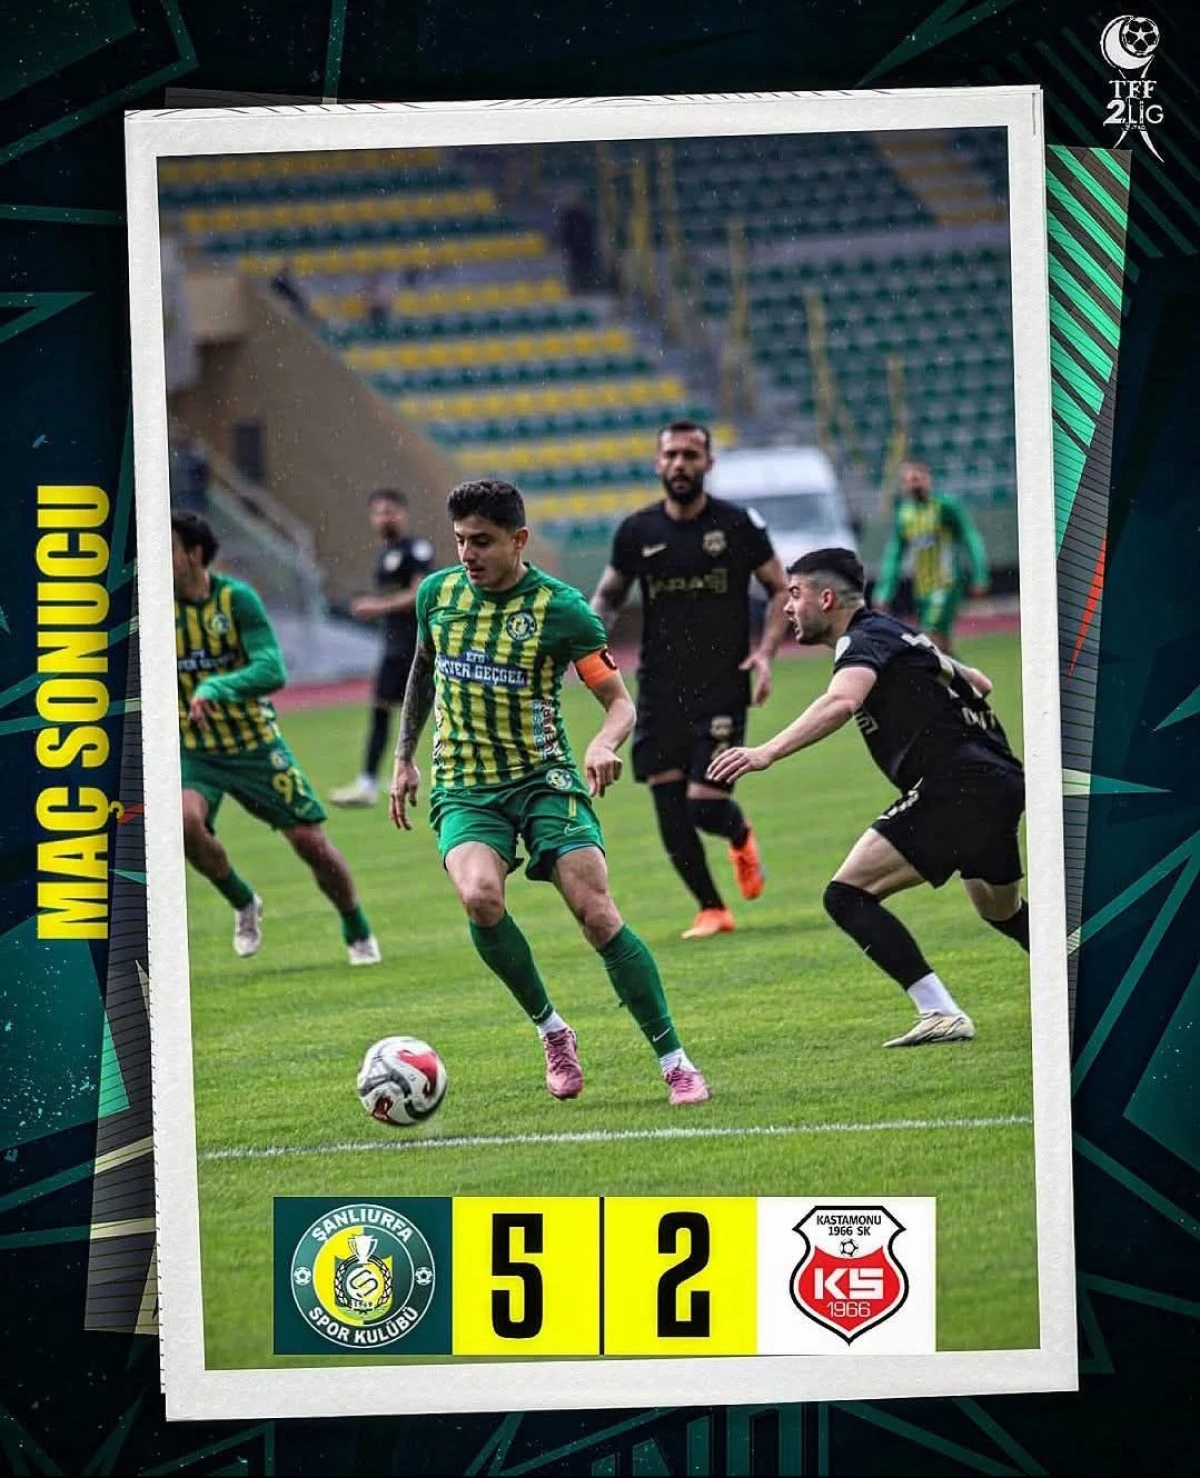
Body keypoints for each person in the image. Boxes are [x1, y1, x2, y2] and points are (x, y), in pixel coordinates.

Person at [388, 479, 710, 1107]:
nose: (468, 555)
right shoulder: (437, 595)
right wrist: (403, 759)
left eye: (482, 542)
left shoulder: (561, 610)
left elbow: (619, 703)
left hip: (545, 779)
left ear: (520, 540)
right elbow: (423, 670)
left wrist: (603, 744)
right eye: (460, 541)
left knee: (597, 914)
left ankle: (676, 1062)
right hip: (465, 784)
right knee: (480, 897)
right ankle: (552, 1029)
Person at [709, 548, 1029, 1047]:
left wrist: (766, 752)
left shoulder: (860, 640)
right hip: (1000, 778)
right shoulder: (898, 633)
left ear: (826, 598)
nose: (787, 606)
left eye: (795, 594)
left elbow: (842, 700)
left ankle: (939, 1012)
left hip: (958, 783)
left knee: (846, 895)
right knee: (1001, 910)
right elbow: (980, 683)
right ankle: (1096, 974)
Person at [590, 419, 789, 940]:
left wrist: (766, 653)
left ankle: (739, 834)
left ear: (708, 463)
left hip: (723, 682)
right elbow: (609, 595)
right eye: (671, 455)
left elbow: (779, 588)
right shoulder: (637, 530)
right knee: (668, 803)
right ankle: (712, 910)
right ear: (658, 463)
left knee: (704, 804)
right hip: (659, 686)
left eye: (690, 455)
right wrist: (588, 641)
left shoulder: (738, 524)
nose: (680, 464)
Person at [172, 510, 382, 965]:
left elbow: (272, 669)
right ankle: (243, 901)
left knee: (310, 843)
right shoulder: (152, 611)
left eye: (167, 549)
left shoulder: (236, 600)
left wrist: (216, 687)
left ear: (193, 554)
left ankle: (356, 927)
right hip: (195, 752)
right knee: (183, 822)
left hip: (255, 745)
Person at [330, 489, 435, 808]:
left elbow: (420, 592)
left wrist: (376, 607)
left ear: (403, 514)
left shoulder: (415, 549)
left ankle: (375, 781)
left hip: (417, 644)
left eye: (390, 511)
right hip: (394, 645)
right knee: (385, 708)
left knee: (426, 708)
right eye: (378, 513)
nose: (384, 518)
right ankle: (368, 783)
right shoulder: (383, 553)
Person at [873, 460, 989, 653]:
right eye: (907, 481)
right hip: (922, 589)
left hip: (946, 585)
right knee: (943, 648)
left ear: (928, 479)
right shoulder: (905, 515)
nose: (913, 485)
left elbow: (971, 537)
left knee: (930, 639)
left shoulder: (945, 507)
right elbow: (894, 555)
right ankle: (962, 673)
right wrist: (884, 591)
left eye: (917, 479)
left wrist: (980, 574)